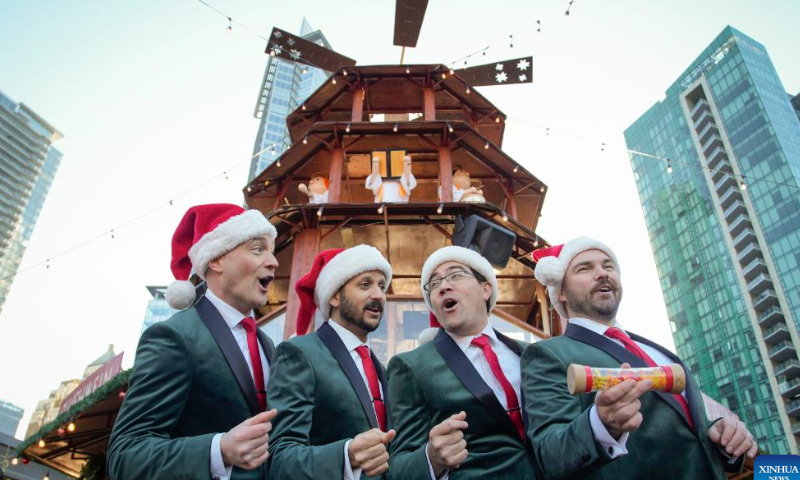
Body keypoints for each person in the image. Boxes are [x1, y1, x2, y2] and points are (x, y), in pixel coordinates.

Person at [522, 236, 758, 480]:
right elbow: (549, 456)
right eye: (585, 268)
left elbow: (689, 434)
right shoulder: (549, 354)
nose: (602, 273)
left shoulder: (659, 351)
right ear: (561, 292)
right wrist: (600, 426)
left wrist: (723, 436)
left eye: (608, 266)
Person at [108, 203, 280, 480]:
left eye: (272, 250)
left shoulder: (267, 344)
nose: (273, 261)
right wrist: (219, 450)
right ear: (216, 260)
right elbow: (126, 455)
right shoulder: (174, 336)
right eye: (258, 249)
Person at [387, 246, 535, 480]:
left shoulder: (530, 354)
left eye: (455, 275)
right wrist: (431, 459)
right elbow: (398, 468)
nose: (443, 286)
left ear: (486, 289)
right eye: (434, 284)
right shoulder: (411, 367)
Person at [267, 245, 396, 480]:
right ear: (334, 296)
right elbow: (279, 458)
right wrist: (347, 456)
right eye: (365, 284)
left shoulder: (381, 369)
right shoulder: (299, 353)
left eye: (381, 285)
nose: (378, 295)